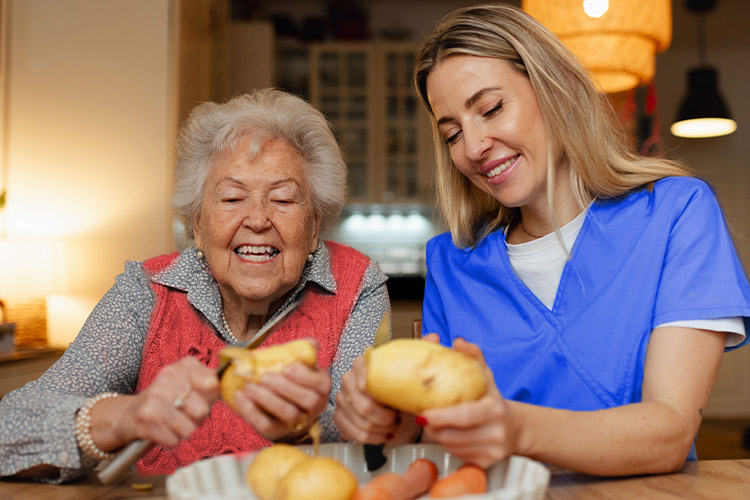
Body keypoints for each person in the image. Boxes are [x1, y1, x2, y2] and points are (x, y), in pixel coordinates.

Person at [334, 3, 750, 476]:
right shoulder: (452, 261)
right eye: (451, 134)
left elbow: (669, 432)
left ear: (559, 90)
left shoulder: (676, 214)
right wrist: (394, 423)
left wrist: (515, 427)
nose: (472, 149)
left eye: (491, 109)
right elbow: (440, 432)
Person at [0, 88, 390, 482]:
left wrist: (303, 422)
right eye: (232, 198)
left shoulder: (357, 287)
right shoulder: (146, 291)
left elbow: (372, 435)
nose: (257, 219)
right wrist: (124, 416)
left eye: (284, 200)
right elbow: (9, 429)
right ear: (197, 226)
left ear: (314, 228)